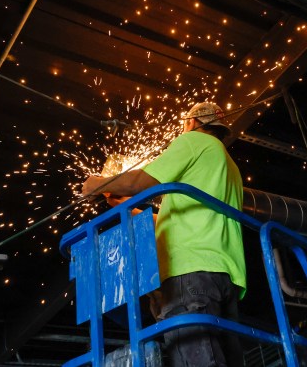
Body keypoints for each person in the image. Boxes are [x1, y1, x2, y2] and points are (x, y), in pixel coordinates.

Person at [82, 102, 246, 367]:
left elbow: (139, 182)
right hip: (223, 274)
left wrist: (97, 184)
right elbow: (179, 218)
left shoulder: (193, 141)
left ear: (192, 123)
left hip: (189, 270)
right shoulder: (229, 167)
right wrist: (126, 206)